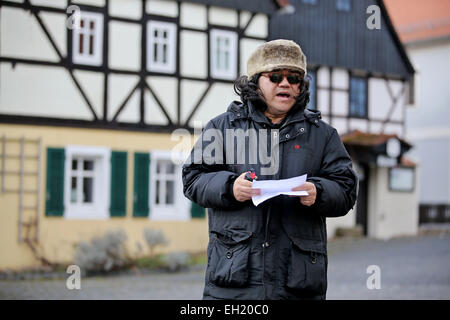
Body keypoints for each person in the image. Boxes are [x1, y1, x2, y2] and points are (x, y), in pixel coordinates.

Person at [182, 39, 358, 300]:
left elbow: (345, 189)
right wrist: (230, 188)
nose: (285, 83)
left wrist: (318, 192)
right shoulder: (221, 127)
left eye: (294, 78)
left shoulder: (323, 135)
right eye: (275, 76)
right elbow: (193, 179)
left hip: (298, 285)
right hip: (234, 282)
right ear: (255, 82)